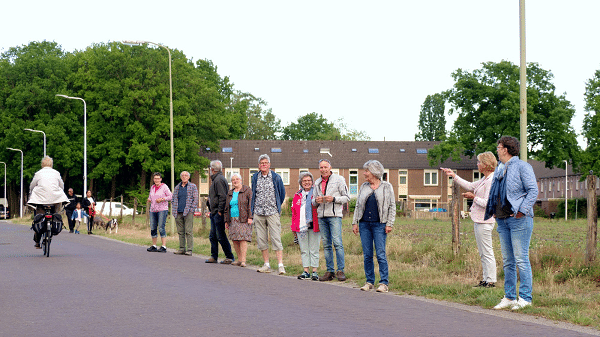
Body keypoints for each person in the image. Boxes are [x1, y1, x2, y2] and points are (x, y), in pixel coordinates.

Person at [484, 136, 538, 310]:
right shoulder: (500, 168)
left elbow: (533, 190)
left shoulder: (523, 166)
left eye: (498, 147)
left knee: (521, 259)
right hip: (502, 220)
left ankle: (525, 297)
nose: (497, 150)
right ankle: (509, 297)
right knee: (508, 260)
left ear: (505, 149)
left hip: (518, 219)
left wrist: (522, 210)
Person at [441, 151, 498, 288]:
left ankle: (490, 280)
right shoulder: (485, 179)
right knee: (483, 252)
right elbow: (470, 185)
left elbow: (488, 203)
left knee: (487, 251)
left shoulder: (491, 181)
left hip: (485, 221)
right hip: (479, 220)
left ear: (485, 164)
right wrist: (453, 176)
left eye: (479, 162)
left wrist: (473, 198)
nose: (477, 165)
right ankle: (486, 279)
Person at [351, 160, 395, 293]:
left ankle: (384, 283)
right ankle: (369, 281)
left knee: (380, 254)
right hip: (364, 224)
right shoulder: (364, 186)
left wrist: (389, 223)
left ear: (375, 172)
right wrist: (355, 222)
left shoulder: (387, 186)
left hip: (380, 225)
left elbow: (392, 206)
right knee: (367, 254)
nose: (364, 173)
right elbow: (358, 205)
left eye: (367, 171)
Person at [312, 159, 350, 281]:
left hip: (334, 216)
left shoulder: (339, 179)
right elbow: (313, 202)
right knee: (326, 245)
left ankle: (340, 270)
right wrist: (316, 201)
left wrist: (333, 199)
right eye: (321, 167)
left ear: (330, 167)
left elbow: (346, 198)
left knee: (337, 243)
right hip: (321, 216)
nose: (323, 169)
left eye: (325, 167)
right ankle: (330, 271)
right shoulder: (317, 182)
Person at [250, 154, 287, 274]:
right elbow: (254, 193)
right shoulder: (255, 177)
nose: (263, 165)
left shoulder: (276, 177)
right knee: (261, 239)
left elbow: (281, 194)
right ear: (258, 166)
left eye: (265, 163)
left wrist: (276, 207)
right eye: (261, 163)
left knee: (276, 238)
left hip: (272, 212)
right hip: (259, 212)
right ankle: (266, 264)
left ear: (269, 165)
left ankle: (280, 265)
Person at [27, 156, 69, 248]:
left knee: (39, 217)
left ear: (42, 164)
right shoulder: (56, 173)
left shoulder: (38, 173)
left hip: (41, 199)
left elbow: (32, 185)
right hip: (55, 199)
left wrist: (31, 192)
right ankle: (55, 222)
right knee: (56, 213)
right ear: (51, 164)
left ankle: (37, 240)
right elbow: (61, 185)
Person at [291, 172, 320, 281]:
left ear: (312, 182)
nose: (307, 182)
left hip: (314, 225)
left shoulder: (316, 194)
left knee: (314, 249)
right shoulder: (297, 195)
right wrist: (293, 228)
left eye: (309, 180)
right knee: (304, 250)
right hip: (301, 227)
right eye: (304, 181)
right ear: (301, 183)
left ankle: (315, 272)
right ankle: (306, 271)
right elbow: (294, 213)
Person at [207, 160, 235, 264]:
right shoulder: (216, 179)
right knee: (213, 236)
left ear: (212, 169)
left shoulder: (218, 180)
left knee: (220, 235)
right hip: (214, 212)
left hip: (218, 213)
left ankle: (229, 256)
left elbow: (223, 196)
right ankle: (214, 256)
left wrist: (220, 211)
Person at [224, 173, 253, 267]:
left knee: (243, 239)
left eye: (237, 179)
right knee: (235, 239)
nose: (235, 181)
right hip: (232, 219)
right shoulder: (230, 193)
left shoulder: (247, 190)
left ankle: (243, 260)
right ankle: (239, 259)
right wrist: (226, 221)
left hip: (243, 218)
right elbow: (226, 208)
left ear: (241, 180)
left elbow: (251, 205)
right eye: (233, 180)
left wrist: (250, 217)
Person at [172, 171, 198, 256]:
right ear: (180, 177)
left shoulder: (192, 186)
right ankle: (182, 248)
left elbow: (195, 199)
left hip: (188, 212)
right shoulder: (177, 187)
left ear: (189, 177)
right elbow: (173, 199)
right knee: (180, 231)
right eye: (182, 175)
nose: (184, 177)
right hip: (178, 211)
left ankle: (189, 249)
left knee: (188, 231)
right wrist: (174, 209)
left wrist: (191, 210)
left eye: (186, 175)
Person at [147, 172, 172, 253]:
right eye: (155, 178)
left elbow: (171, 196)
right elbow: (150, 196)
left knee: (161, 227)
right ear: (153, 179)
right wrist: (149, 199)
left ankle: (163, 246)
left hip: (162, 209)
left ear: (161, 179)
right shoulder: (152, 187)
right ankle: (154, 245)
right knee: (153, 227)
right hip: (153, 209)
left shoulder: (164, 187)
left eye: (158, 178)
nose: (156, 180)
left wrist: (162, 199)